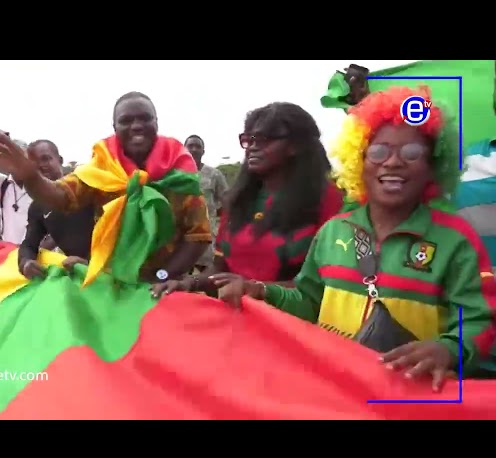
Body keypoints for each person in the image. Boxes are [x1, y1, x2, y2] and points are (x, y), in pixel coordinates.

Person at [218, 86, 496, 390]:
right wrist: (262, 292)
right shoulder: (333, 231)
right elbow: (308, 300)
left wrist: (449, 349)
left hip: (408, 395)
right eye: (378, 151)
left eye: (412, 153)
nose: (392, 162)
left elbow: (478, 318)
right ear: (358, 162)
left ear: (433, 166)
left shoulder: (455, 238)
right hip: (335, 389)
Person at [0, 91, 212, 288]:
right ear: (114, 127)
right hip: (111, 286)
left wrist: (162, 276)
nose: (136, 126)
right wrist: (31, 177)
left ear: (156, 122)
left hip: (165, 288)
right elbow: (60, 197)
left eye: (145, 118)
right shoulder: (101, 169)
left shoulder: (180, 173)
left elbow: (198, 236)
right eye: (126, 121)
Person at [153, 102, 344, 298]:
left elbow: (324, 287)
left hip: (291, 322)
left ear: (295, 146)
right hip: (236, 316)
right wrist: (188, 283)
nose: (252, 147)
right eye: (248, 139)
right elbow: (220, 269)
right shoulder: (239, 200)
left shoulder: (330, 201)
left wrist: (257, 289)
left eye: (262, 139)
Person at [18, 139, 95, 280]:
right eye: (34, 163)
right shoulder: (38, 206)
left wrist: (91, 263)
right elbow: (29, 244)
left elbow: (118, 232)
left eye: (46, 159)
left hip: (111, 270)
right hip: (78, 275)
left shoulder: (87, 186)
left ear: (59, 160)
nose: (41, 166)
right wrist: (26, 263)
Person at [184, 134, 229, 271]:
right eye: (190, 146)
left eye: (198, 146)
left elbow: (226, 204)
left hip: (207, 237)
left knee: (210, 278)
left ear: (203, 151)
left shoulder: (214, 174)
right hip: (182, 235)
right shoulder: (175, 174)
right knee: (180, 278)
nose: (194, 149)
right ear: (184, 149)